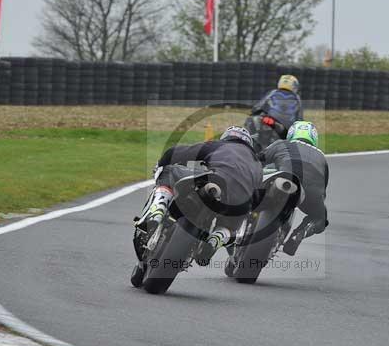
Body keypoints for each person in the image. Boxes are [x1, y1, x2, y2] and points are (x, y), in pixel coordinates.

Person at [134, 126, 263, 263]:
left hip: (215, 182)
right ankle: (217, 238)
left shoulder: (219, 146)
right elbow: (258, 198)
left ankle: (158, 207)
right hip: (240, 202)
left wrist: (161, 163)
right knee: (230, 227)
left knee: (169, 170)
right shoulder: (257, 165)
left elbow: (176, 152)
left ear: (227, 137)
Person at [259, 120, 328, 256]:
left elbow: (257, 160)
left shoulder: (282, 144)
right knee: (320, 219)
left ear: (291, 133)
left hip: (285, 180)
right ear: (314, 138)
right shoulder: (321, 157)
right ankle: (299, 234)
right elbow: (323, 189)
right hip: (311, 193)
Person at [247, 75, 304, 148]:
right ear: (294, 86)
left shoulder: (273, 93)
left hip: (269, 122)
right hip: (285, 129)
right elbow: (300, 119)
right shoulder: (297, 98)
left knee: (251, 120)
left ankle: (248, 143)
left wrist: (254, 113)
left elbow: (257, 107)